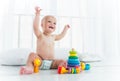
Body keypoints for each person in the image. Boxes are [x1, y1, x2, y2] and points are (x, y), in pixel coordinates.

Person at [20, 7, 70, 74]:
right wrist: (37, 15)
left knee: (61, 61)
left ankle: (63, 67)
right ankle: (29, 68)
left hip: (52, 63)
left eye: (55, 23)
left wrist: (65, 29)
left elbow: (61, 35)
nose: (52, 24)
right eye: (49, 21)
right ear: (42, 25)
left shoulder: (53, 37)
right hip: (39, 61)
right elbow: (35, 27)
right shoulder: (40, 35)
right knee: (31, 55)